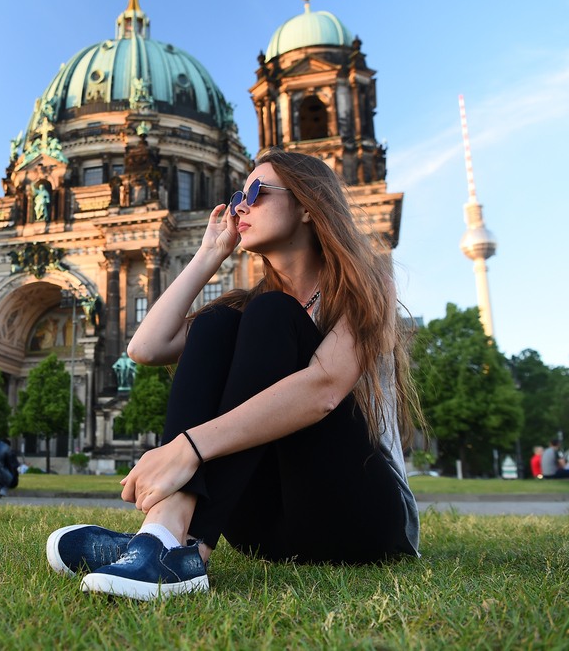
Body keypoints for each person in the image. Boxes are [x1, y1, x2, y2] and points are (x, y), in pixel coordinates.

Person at [45, 148, 424, 600]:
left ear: (307, 206)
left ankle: (169, 548)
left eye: (258, 192)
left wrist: (188, 448)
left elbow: (324, 388)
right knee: (217, 320)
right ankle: (167, 538)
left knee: (269, 313)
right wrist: (208, 255)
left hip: (362, 516)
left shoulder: (365, 281)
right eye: (238, 193)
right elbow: (145, 348)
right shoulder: (249, 305)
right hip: (266, 529)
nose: (241, 204)